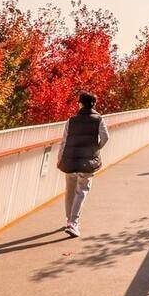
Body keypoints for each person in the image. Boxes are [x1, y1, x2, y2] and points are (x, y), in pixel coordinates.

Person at [57, 91, 109, 238]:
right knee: (82, 190)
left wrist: (60, 158)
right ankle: (73, 222)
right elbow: (105, 137)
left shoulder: (71, 120)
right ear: (94, 104)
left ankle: (69, 220)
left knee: (70, 190)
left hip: (70, 159)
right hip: (87, 161)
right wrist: (96, 148)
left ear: (80, 103)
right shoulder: (98, 119)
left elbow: (64, 141)